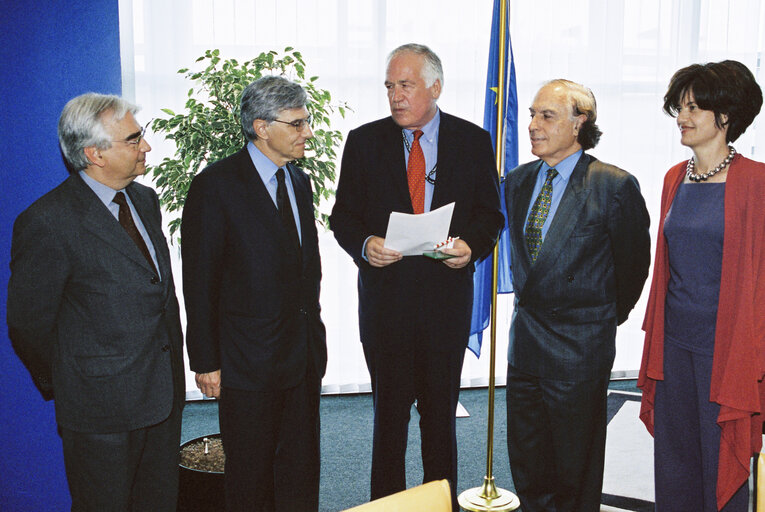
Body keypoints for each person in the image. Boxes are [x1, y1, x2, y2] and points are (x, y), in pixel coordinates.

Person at [329, 43, 504, 508]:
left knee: (439, 420)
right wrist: (365, 245)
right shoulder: (364, 142)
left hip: (446, 307)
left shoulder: (472, 141)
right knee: (389, 420)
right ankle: (385, 506)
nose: (395, 96)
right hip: (386, 306)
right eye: (389, 86)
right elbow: (342, 216)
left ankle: (439, 503)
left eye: (405, 85)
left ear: (435, 86)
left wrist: (472, 246)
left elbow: (491, 215)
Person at [7, 93, 185, 511]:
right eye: (133, 139)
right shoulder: (48, 221)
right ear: (95, 154)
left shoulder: (145, 199)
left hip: (162, 395)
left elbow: (160, 295)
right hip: (99, 412)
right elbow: (28, 325)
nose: (146, 146)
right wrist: (74, 382)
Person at [503, 79, 651, 511]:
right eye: (531, 114)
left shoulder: (613, 185)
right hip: (525, 346)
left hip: (579, 348)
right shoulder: (517, 181)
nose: (532, 124)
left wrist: (597, 320)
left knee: (575, 470)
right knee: (528, 464)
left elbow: (633, 270)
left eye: (546, 115)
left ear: (579, 122)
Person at [181, 75, 327, 512]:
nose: (308, 132)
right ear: (262, 127)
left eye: (307, 121)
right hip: (248, 363)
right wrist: (206, 360)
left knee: (301, 472)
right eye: (297, 124)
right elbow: (199, 281)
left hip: (301, 357)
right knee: (251, 477)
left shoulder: (299, 182)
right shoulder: (215, 186)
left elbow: (306, 272)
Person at [638, 60, 765, 512]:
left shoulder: (757, 183)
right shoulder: (675, 177)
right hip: (673, 347)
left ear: (725, 117)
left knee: (721, 468)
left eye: (693, 108)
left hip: (727, 352)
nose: (682, 117)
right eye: (679, 107)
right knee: (674, 465)